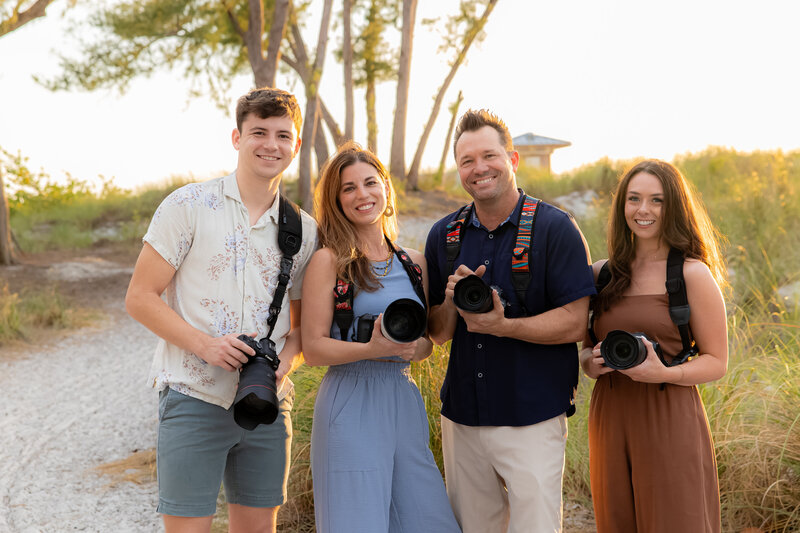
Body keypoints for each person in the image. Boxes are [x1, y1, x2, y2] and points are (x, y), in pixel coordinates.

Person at [125, 87, 317, 533]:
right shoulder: (187, 206)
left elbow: (301, 329)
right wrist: (206, 346)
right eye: (259, 132)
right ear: (236, 138)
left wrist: (283, 365)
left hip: (267, 404)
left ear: (295, 146)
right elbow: (140, 297)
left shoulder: (304, 230)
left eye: (283, 135)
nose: (271, 145)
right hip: (194, 396)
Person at [425, 109, 596, 533]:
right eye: (467, 160)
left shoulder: (555, 228)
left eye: (489, 156)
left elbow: (576, 323)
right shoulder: (444, 235)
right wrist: (451, 299)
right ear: (459, 170)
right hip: (463, 416)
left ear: (512, 159)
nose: (479, 168)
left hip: (533, 414)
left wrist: (505, 326)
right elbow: (439, 333)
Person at [301, 142, 461, 533]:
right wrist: (371, 348)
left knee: (427, 520)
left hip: (402, 398)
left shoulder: (414, 263)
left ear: (386, 188)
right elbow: (313, 348)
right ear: (337, 200)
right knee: (356, 521)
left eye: (370, 182)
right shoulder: (329, 261)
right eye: (349, 188)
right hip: (350, 399)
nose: (362, 194)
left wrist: (416, 346)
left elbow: (425, 343)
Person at [580, 159, 727, 532]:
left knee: (675, 521)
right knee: (617, 521)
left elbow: (716, 361)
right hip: (610, 416)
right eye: (634, 199)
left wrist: (664, 372)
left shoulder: (692, 274)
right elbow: (585, 350)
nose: (643, 210)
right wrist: (590, 363)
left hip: (669, 414)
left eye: (656, 200)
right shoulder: (601, 275)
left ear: (673, 206)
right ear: (622, 206)